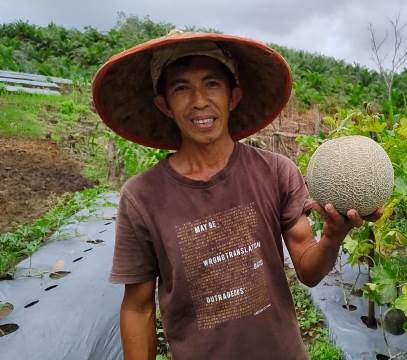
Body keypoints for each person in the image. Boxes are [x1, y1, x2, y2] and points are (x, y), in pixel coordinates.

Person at [92, 31, 383, 360]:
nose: (199, 99)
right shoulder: (141, 197)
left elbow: (308, 269)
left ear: (234, 96)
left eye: (212, 83)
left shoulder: (275, 172)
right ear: (164, 105)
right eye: (181, 87)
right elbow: (138, 307)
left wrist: (333, 235)